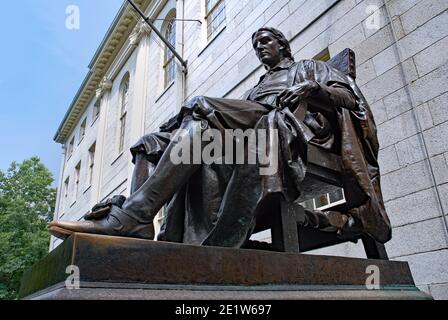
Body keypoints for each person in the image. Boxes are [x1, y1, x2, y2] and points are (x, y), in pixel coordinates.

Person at [49, 27, 392, 247]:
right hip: (251, 133)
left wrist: (312, 87)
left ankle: (131, 216)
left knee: (200, 106)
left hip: (289, 130)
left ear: (283, 44)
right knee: (155, 142)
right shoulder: (255, 89)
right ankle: (139, 223)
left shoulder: (307, 68)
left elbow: (351, 100)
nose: (260, 48)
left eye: (266, 41)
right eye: (256, 45)